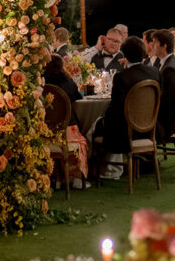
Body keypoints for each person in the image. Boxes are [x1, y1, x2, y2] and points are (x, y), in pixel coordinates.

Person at [95, 36, 159, 153]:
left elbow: (116, 109)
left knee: (96, 125)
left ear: (124, 55)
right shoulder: (154, 72)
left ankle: (103, 168)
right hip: (151, 128)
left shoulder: (122, 77)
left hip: (126, 132)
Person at [43, 52, 89, 186]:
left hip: (45, 131)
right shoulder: (68, 82)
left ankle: (56, 177)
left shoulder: (40, 83)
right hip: (67, 131)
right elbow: (78, 99)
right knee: (84, 136)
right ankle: (75, 177)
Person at [151, 29, 175, 142]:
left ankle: (144, 156)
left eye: (155, 43)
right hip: (165, 118)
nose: (152, 46)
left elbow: (167, 101)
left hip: (166, 124)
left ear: (163, 46)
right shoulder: (166, 62)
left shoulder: (170, 69)